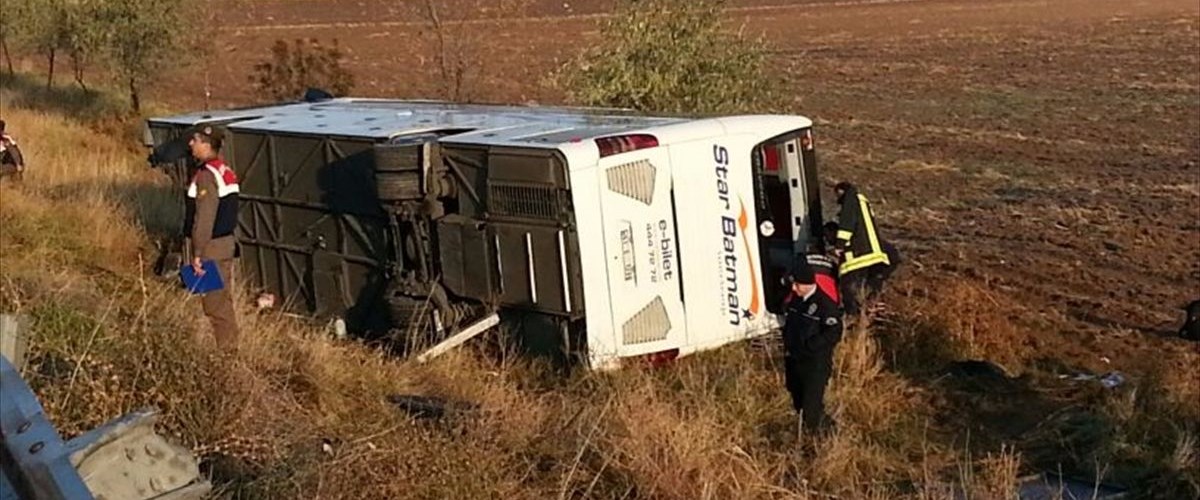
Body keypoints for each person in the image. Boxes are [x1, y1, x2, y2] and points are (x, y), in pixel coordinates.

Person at [185, 126, 241, 349]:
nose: (191, 144)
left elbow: (204, 218)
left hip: (211, 248)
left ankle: (227, 357)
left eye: (195, 140)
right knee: (222, 301)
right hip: (224, 244)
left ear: (206, 144)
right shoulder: (224, 170)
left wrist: (197, 253)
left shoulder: (206, 175)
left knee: (214, 305)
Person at [780, 261, 843, 433]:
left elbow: (833, 333)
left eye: (797, 284)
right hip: (794, 361)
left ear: (808, 283)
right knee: (798, 404)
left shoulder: (825, 306)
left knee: (811, 410)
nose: (794, 288)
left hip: (815, 365)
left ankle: (825, 437)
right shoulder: (796, 301)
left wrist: (811, 346)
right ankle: (812, 432)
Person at [831, 182, 892, 315]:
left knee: (849, 289)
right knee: (870, 290)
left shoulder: (850, 199)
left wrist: (839, 245)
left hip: (858, 255)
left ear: (842, 191)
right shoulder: (864, 203)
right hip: (875, 255)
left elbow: (847, 223)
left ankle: (853, 317)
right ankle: (870, 312)